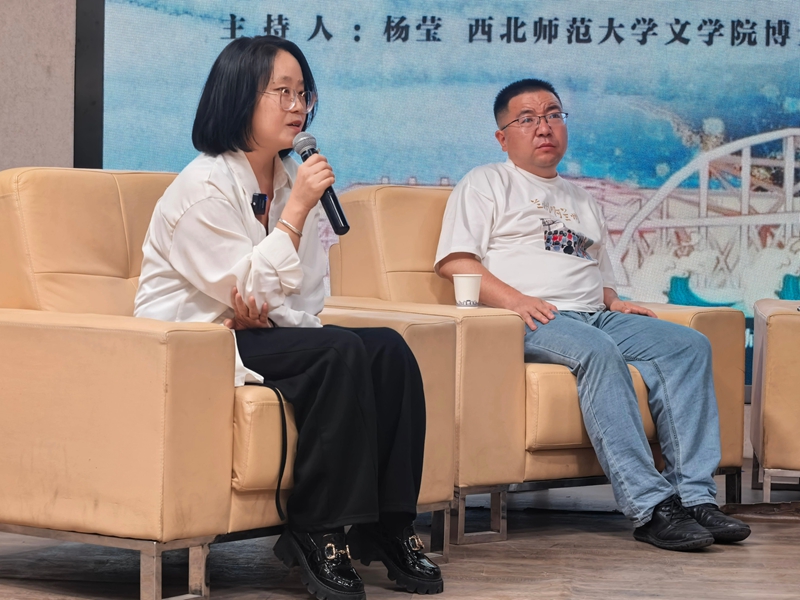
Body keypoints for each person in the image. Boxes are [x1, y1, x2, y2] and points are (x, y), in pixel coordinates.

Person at [134, 35, 443, 600]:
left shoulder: (286, 182)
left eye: (304, 93)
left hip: (260, 332)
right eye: (282, 92)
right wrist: (295, 213)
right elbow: (245, 290)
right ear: (238, 98)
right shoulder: (202, 190)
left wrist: (271, 282)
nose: (298, 106)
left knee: (389, 349)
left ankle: (390, 524)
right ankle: (317, 529)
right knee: (338, 352)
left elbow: (305, 296)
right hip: (201, 343)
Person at [434, 78, 751, 552]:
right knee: (598, 351)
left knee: (687, 345)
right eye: (527, 119)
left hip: (594, 314)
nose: (543, 127)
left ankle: (695, 497)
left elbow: (592, 268)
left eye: (553, 115)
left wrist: (613, 300)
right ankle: (651, 507)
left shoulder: (582, 198)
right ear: (502, 137)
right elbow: (455, 262)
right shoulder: (486, 182)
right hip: (523, 318)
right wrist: (515, 300)